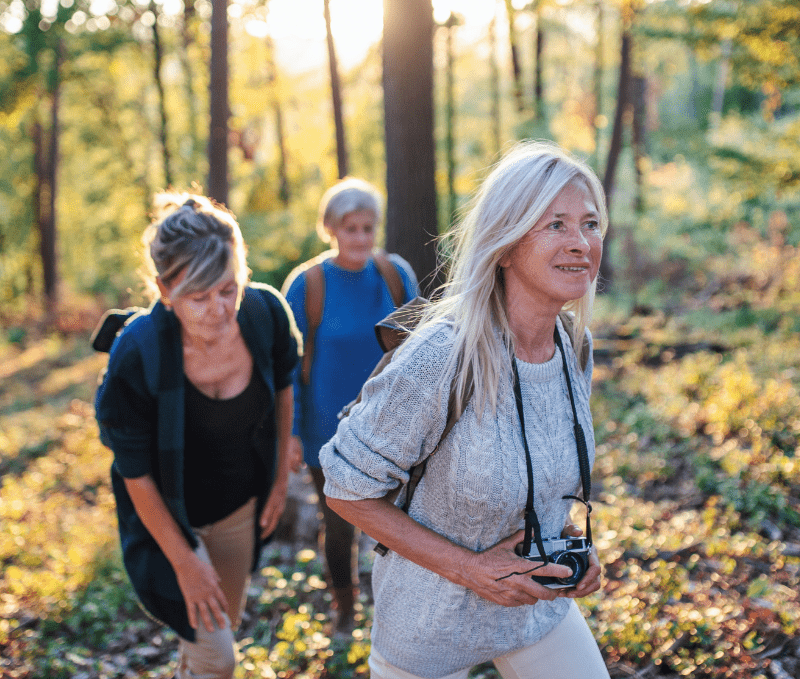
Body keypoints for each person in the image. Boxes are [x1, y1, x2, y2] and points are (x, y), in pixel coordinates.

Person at [319, 141, 612, 679]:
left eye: (590, 224)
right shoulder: (443, 355)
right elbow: (343, 484)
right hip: (427, 630)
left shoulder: (573, 344)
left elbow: (538, 467)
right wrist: (471, 569)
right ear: (503, 245)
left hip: (534, 610)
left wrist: (569, 539)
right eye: (555, 226)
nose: (581, 244)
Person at [94, 193, 300, 679]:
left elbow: (287, 385)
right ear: (166, 291)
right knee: (218, 658)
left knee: (215, 635)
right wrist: (185, 561)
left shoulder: (264, 313)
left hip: (238, 507)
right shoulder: (137, 353)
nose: (219, 309)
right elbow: (135, 473)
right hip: (166, 514)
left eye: (229, 288)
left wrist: (277, 482)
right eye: (199, 297)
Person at [282, 177, 418, 637]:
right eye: (350, 228)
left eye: (367, 228)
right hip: (329, 432)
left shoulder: (396, 275)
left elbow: (422, 352)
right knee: (341, 525)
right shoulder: (308, 285)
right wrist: (292, 433)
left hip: (393, 427)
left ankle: (396, 614)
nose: (360, 238)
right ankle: (345, 611)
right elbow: (288, 369)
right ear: (332, 230)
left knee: (400, 525)